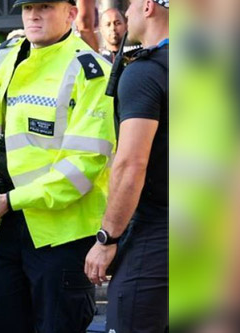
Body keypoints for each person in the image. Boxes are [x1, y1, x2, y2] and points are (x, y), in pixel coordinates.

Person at [0, 0, 115, 331]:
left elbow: (83, 166)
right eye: (27, 7)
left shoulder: (91, 72)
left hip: (60, 233)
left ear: (71, 13)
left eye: (45, 6)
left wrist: (11, 201)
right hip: (5, 224)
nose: (34, 15)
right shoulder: (6, 59)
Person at [84, 0, 169, 331]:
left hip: (157, 233)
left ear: (147, 6)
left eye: (130, 4)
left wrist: (106, 239)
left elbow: (131, 165)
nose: (127, 13)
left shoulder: (145, 72)